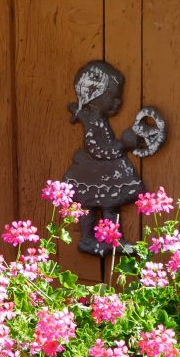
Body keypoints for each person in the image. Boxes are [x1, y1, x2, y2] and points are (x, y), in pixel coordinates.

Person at [63, 61, 147, 256]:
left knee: (110, 206)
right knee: (88, 207)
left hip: (103, 173)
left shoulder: (99, 120)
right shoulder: (92, 123)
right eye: (114, 97)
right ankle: (87, 240)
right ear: (96, 95)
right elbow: (98, 150)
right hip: (93, 173)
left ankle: (112, 239)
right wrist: (123, 145)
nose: (119, 102)